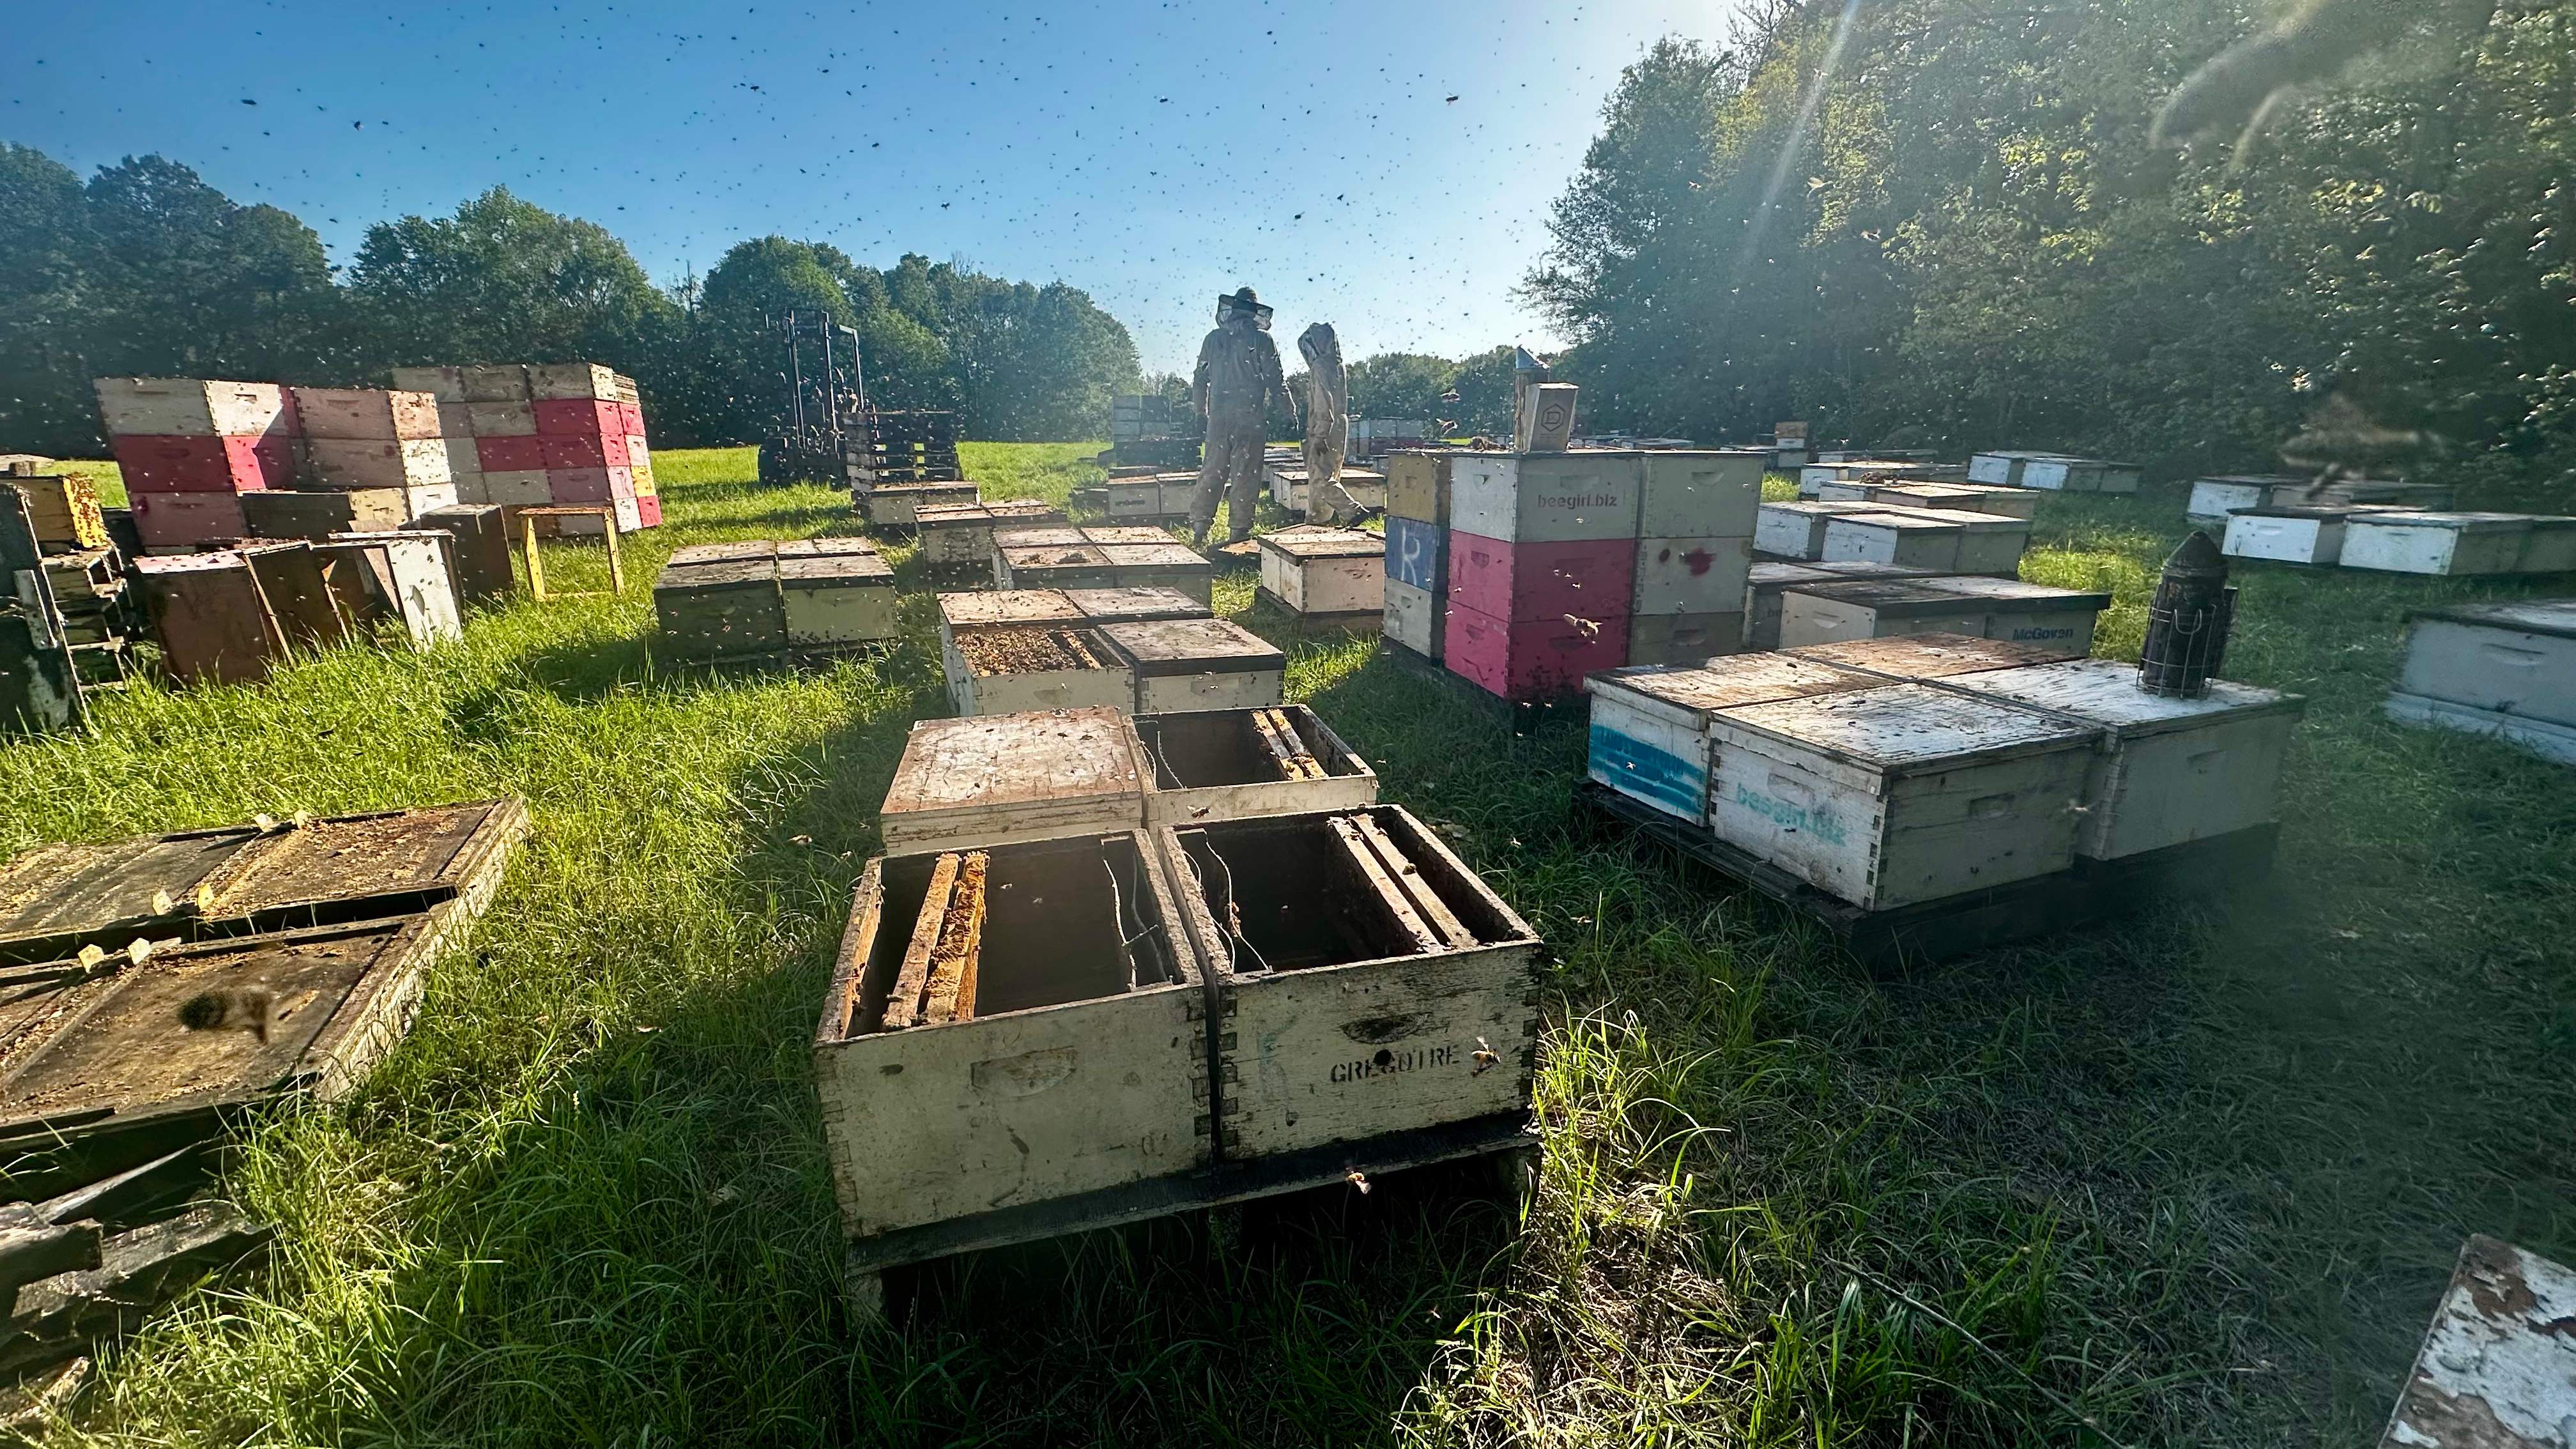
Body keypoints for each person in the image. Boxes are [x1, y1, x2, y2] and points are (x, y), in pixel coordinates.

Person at [1190, 287, 1296, 548]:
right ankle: (1238, 531)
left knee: (1212, 470)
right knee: (1245, 474)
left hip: (1218, 418)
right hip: (1250, 418)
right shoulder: (1262, 340)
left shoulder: (1212, 340)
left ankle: (1200, 527)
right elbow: (1275, 379)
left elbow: (1199, 378)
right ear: (1253, 313)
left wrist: (1199, 411)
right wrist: (1289, 411)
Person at [1296, 322, 1363, 526]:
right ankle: (1318, 519)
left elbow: (1323, 402)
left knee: (1320, 477)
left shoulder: (1320, 366)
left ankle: (1352, 510)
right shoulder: (1339, 365)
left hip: (1326, 425)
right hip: (1341, 426)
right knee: (1330, 474)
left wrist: (1319, 435)